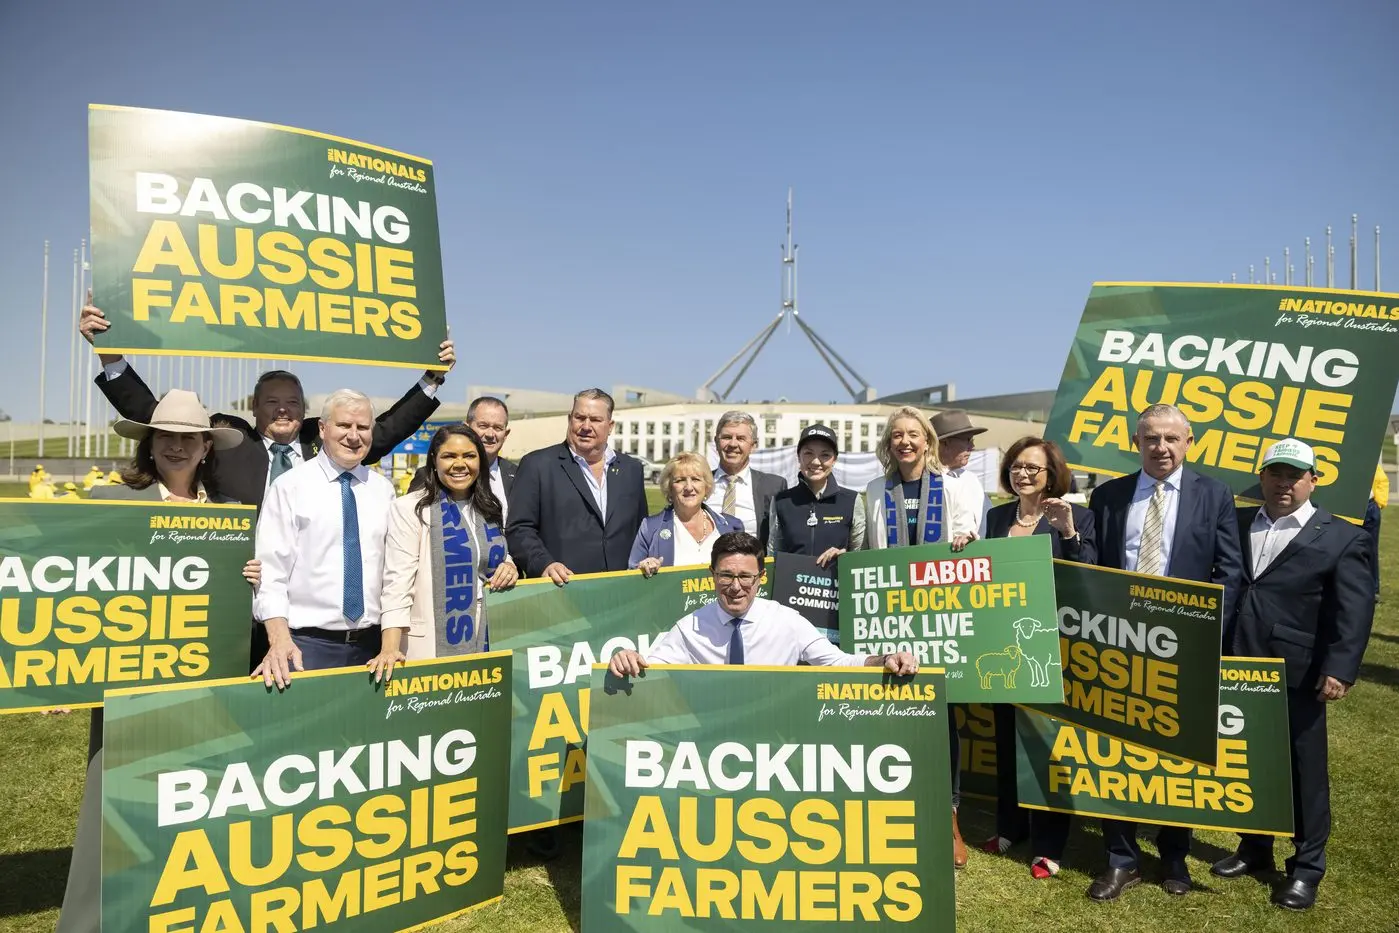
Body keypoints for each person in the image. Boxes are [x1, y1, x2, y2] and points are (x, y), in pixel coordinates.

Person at [58, 390, 255, 933]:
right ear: (149, 443)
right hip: (128, 690)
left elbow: (233, 607)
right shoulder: (111, 500)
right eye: (166, 436)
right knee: (111, 810)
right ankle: (88, 922)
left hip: (200, 691)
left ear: (206, 448)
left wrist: (250, 577)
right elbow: (66, 588)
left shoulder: (227, 517)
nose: (176, 446)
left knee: (188, 811)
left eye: (188, 438)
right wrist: (60, 675)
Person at [79, 296, 455, 508]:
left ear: (305, 411)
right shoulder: (229, 436)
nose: (282, 410)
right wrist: (110, 356)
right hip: (242, 575)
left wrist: (432, 377)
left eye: (292, 402)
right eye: (271, 402)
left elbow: (386, 430)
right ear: (254, 407)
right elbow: (160, 419)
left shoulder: (325, 439)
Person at [1084, 403, 1243, 902]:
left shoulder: (1213, 494)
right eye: (1152, 438)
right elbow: (1094, 565)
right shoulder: (1108, 494)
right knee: (1115, 748)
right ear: (1137, 442)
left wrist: (1204, 635)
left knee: (1179, 754)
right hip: (1118, 644)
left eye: (1172, 438)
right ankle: (1121, 858)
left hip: (1185, 646)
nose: (1162, 448)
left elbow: (1229, 571)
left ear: (1189, 441)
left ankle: (1175, 854)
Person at [1210, 439, 1374, 910]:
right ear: (1261, 477)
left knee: (1303, 771)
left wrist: (1340, 669)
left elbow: (1354, 611)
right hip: (1235, 660)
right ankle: (1255, 846)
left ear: (1313, 481)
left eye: (1295, 475)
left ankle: (1306, 867)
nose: (1284, 483)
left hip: (1298, 672)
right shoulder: (1238, 522)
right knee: (1247, 760)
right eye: (1275, 474)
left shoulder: (1342, 536)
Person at [859, 407, 977, 867]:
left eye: (913, 435)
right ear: (888, 444)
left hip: (938, 612)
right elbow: (867, 548)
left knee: (940, 714)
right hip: (889, 614)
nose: (905, 442)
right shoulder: (873, 490)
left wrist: (967, 538)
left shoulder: (953, 486)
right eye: (897, 436)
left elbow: (970, 534)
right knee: (888, 709)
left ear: (927, 441)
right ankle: (891, 811)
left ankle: (948, 817)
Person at [982, 436, 1098, 880]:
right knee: (1007, 741)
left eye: (1033, 468)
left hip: (1053, 648)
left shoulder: (1076, 514)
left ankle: (1049, 843)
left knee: (1048, 747)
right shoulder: (995, 517)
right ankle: (1011, 826)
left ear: (1053, 474)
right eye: (1016, 466)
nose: (1023, 474)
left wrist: (1069, 532)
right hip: (1004, 642)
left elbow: (1089, 574)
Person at [252, 389, 405, 688]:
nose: (353, 435)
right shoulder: (290, 486)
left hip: (373, 649)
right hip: (304, 649)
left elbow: (393, 573)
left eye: (362, 427)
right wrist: (279, 640)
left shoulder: (383, 490)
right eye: (344, 426)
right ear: (322, 429)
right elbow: (270, 573)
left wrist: (389, 643)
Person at [609, 531, 918, 673]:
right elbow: (651, 668)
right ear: (711, 575)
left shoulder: (787, 621)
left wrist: (885, 658)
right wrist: (628, 657)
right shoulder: (690, 628)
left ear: (762, 578)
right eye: (725, 576)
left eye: (746, 577)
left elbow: (838, 662)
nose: (735, 587)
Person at [381, 424, 518, 660]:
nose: (459, 464)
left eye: (469, 456)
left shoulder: (490, 507)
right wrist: (389, 648)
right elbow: (397, 582)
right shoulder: (410, 509)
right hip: (432, 642)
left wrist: (509, 565)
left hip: (490, 633)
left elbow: (490, 554)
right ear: (434, 461)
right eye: (449, 456)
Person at [506, 388, 647, 584]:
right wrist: (544, 564)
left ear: (610, 425)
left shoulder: (632, 470)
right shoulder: (537, 465)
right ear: (569, 419)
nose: (586, 426)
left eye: (596, 420)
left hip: (622, 593)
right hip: (562, 592)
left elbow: (642, 530)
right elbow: (519, 529)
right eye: (580, 418)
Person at [631, 451, 744, 575]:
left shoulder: (732, 526)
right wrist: (642, 569)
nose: (689, 487)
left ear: (706, 486)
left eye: (696, 479)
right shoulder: (650, 528)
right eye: (680, 480)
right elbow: (631, 577)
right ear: (669, 488)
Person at [409, 396, 518, 523]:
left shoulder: (518, 476)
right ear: (466, 427)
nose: (490, 434)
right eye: (483, 426)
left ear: (505, 434)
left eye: (497, 428)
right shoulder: (428, 476)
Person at [767, 424, 865, 565]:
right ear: (798, 456)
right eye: (808, 453)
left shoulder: (852, 500)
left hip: (837, 585)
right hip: (791, 585)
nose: (816, 461)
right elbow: (773, 556)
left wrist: (845, 557)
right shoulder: (781, 501)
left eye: (825, 455)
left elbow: (861, 557)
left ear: (834, 459)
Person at [705, 411, 786, 551]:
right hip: (704, 569)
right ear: (717, 442)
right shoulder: (699, 484)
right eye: (726, 437)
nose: (733, 444)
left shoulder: (774, 486)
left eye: (741, 438)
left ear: (753, 445)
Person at [932, 409, 992, 536]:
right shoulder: (924, 481)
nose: (972, 447)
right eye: (967, 440)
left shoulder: (971, 480)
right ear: (945, 443)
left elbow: (989, 525)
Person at [1365, 463, 1387, 600]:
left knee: (1371, 550)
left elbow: (1382, 481)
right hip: (1348, 510)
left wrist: (1379, 502)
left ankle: (1373, 591)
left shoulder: (1371, 461)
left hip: (1369, 507)